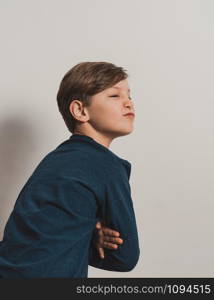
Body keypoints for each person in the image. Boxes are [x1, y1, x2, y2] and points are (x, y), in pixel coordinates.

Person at [0, 61, 140, 278]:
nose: (129, 103)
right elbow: (125, 257)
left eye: (129, 95)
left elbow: (30, 236)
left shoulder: (54, 161)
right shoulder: (106, 165)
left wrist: (82, 230)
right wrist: (91, 238)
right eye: (115, 96)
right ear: (80, 110)